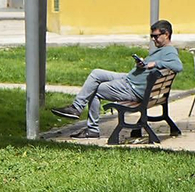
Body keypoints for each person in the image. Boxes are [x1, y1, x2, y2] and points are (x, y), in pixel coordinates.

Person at [52, 19, 182, 138]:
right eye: (151, 36)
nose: (153, 39)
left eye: (156, 36)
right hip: (130, 80)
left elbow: (178, 66)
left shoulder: (169, 51)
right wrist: (142, 65)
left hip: (133, 88)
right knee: (96, 73)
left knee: (95, 89)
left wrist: (155, 64)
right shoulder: (164, 50)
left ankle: (92, 129)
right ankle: (76, 108)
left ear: (166, 34)